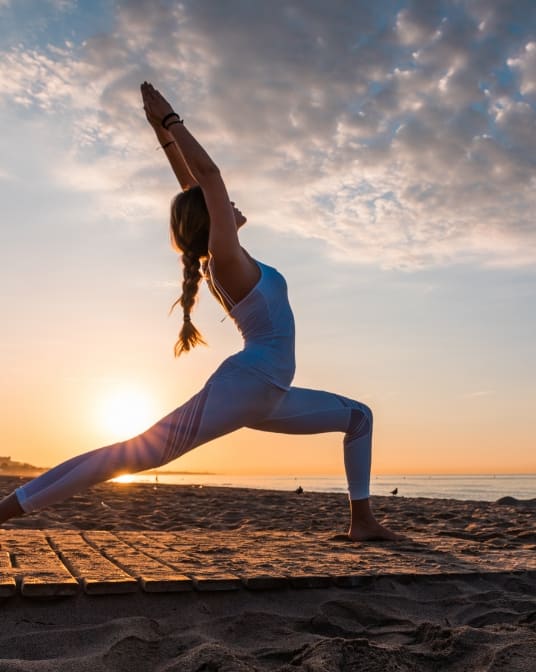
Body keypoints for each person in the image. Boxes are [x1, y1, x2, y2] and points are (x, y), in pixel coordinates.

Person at [0, 82, 403, 541]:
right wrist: (173, 118)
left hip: (270, 393)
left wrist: (163, 136)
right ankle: (6, 510)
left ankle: (364, 521)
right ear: (214, 221)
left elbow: (194, 185)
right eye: (223, 204)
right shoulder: (225, 261)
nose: (231, 202)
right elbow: (208, 178)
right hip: (247, 385)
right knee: (130, 455)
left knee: (358, 417)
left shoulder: (230, 256)